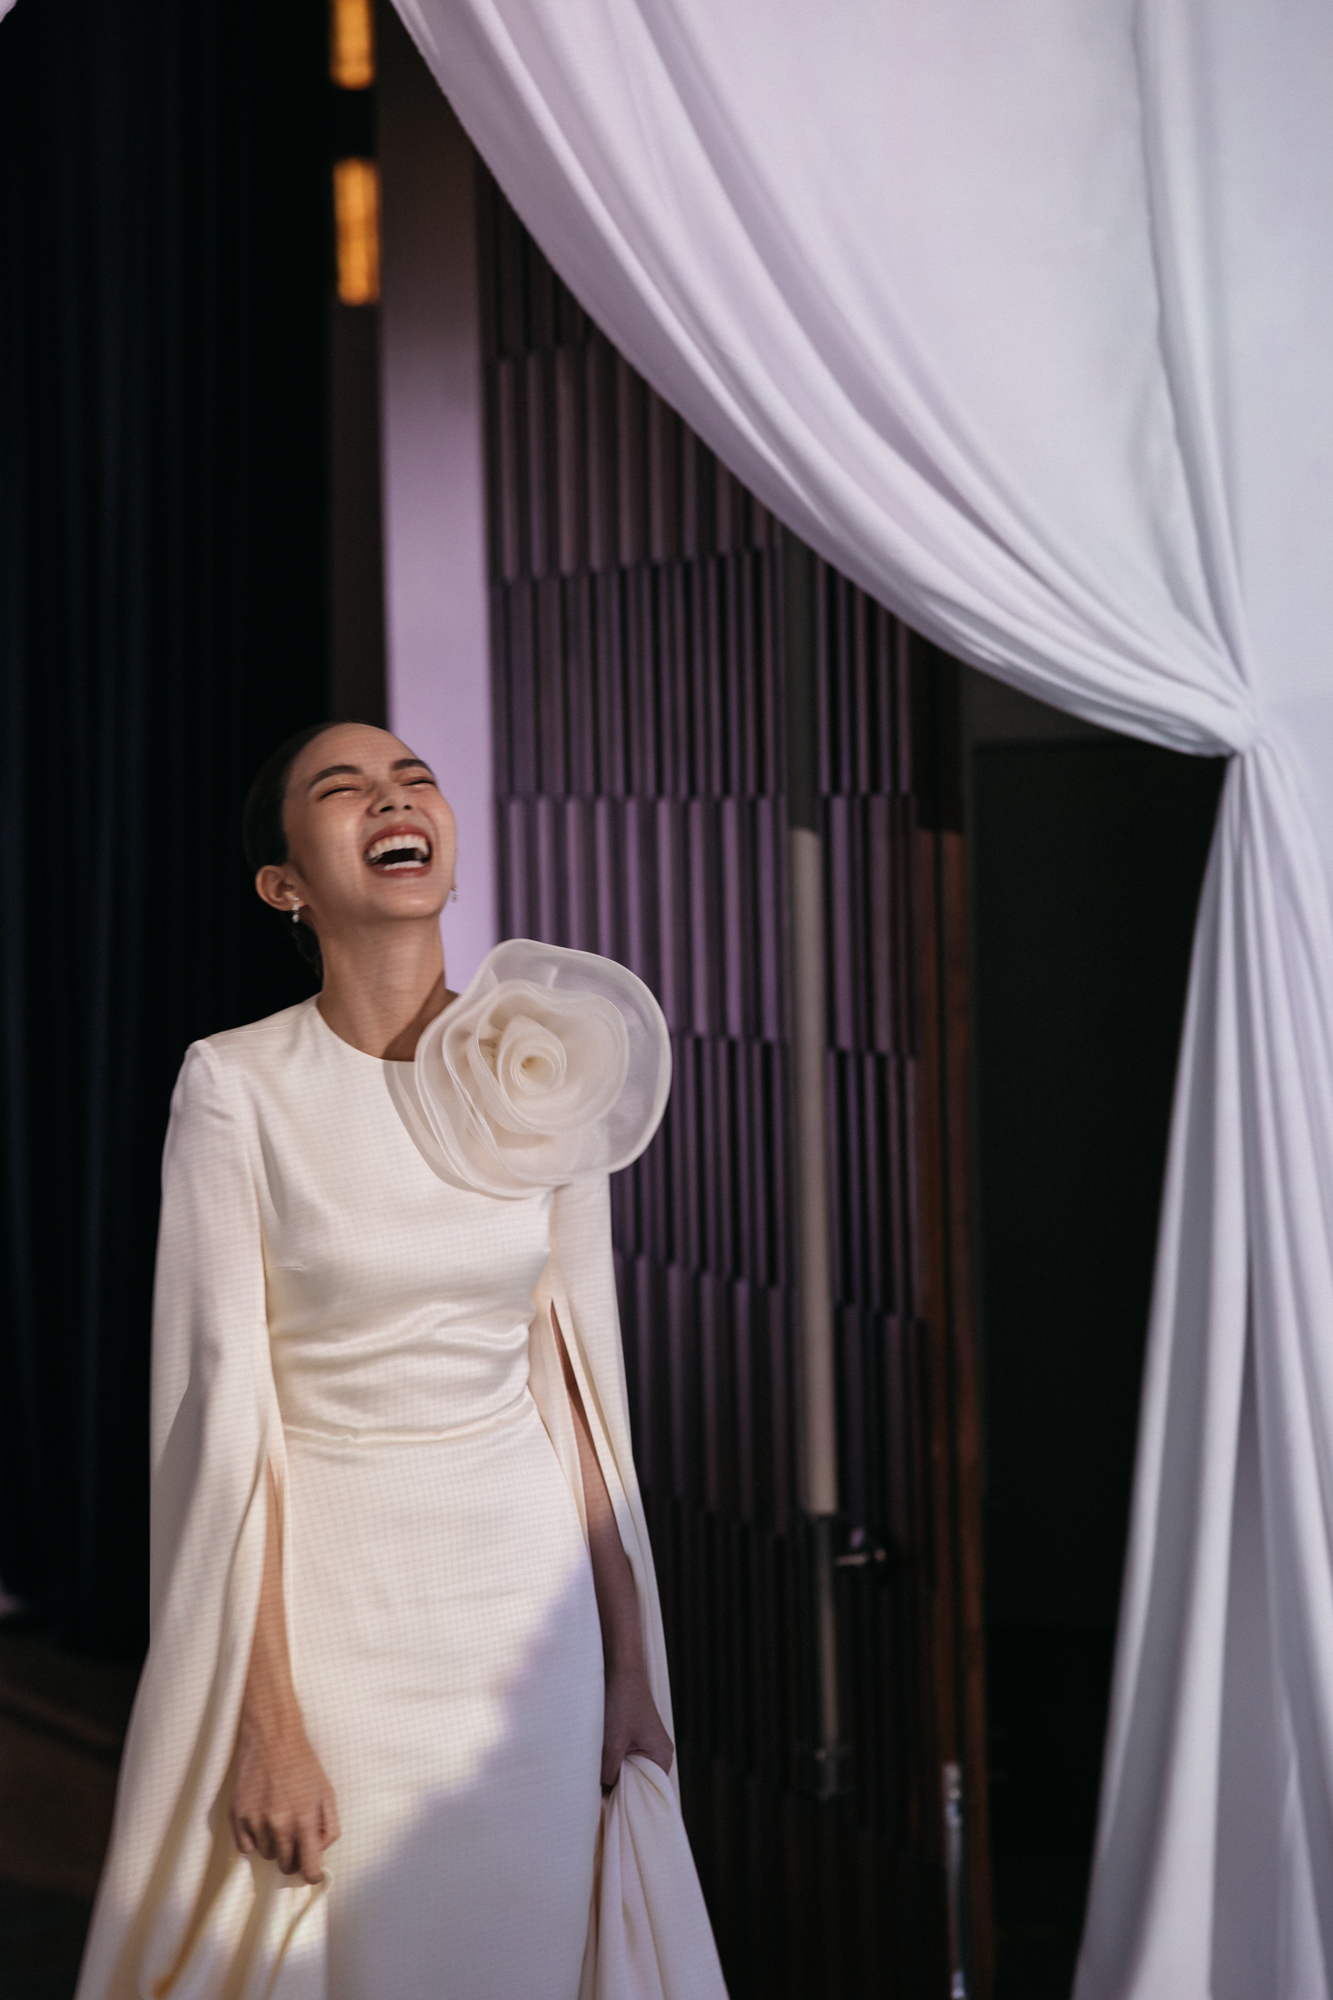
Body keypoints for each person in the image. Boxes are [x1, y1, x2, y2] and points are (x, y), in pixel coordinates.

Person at [75, 722, 726, 2000]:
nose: (392, 796)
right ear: (285, 884)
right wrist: (265, 1716)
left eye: (412, 777)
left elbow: (576, 1383)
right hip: (335, 1618)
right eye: (344, 787)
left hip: (528, 1632)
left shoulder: (545, 1066)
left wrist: (629, 1662)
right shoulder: (236, 1084)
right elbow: (221, 1412)